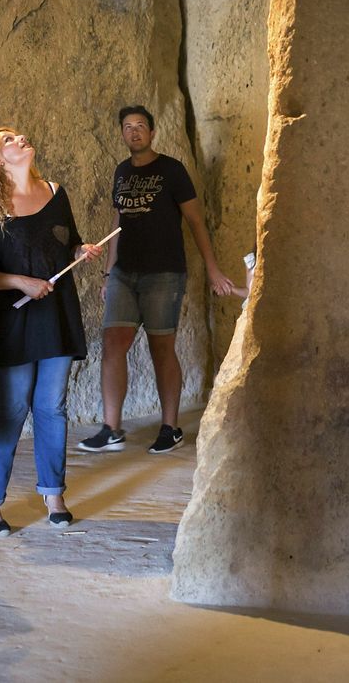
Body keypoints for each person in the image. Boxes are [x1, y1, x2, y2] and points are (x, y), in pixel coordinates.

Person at [0, 126, 104, 534]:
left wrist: (81, 250)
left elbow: (68, 242)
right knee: (11, 409)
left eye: (20, 136)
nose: (20, 139)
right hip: (10, 320)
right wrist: (20, 282)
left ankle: (54, 493)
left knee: (52, 406)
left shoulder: (56, 192)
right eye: (8, 139)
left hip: (56, 314)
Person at [79, 105, 234, 455]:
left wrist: (212, 268)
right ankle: (111, 428)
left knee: (161, 346)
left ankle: (170, 427)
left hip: (164, 272)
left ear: (152, 133)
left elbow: (195, 220)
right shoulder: (121, 171)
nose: (134, 132)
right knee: (112, 344)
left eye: (141, 126)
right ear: (121, 133)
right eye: (128, 127)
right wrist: (108, 272)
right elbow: (118, 223)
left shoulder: (171, 170)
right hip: (123, 273)